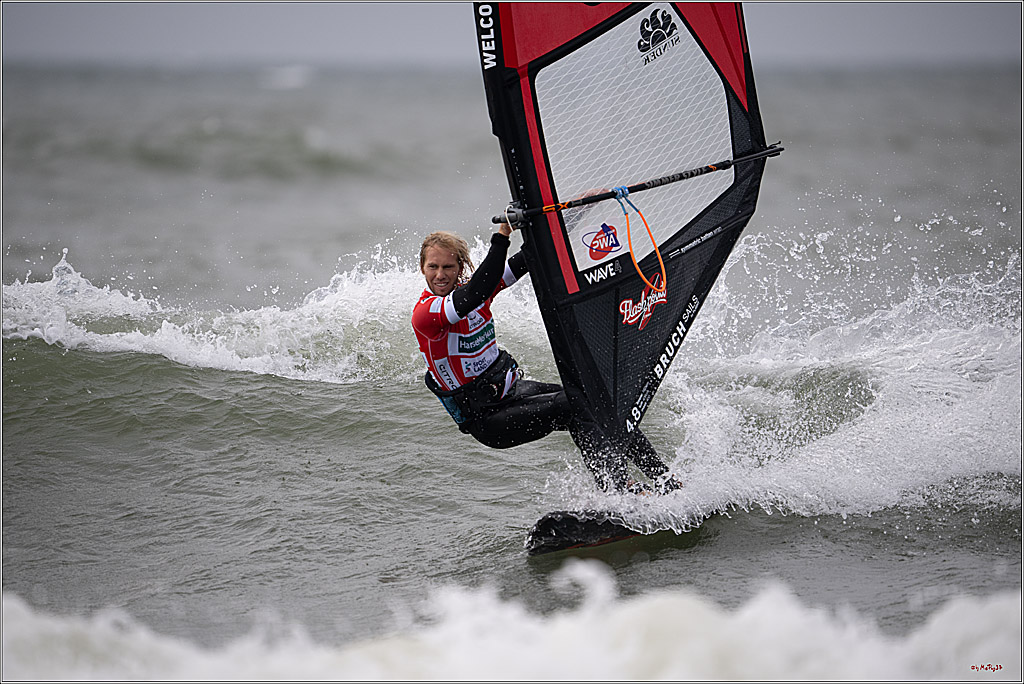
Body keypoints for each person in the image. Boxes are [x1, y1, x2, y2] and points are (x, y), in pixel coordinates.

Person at [411, 222, 682, 495]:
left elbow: (529, 257)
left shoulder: (475, 290)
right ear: (422, 268)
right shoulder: (427, 312)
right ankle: (619, 491)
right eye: (433, 267)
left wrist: (562, 216)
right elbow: (476, 292)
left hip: (510, 393)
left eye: (448, 267)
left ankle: (664, 478)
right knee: (572, 404)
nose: (440, 275)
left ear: (460, 267)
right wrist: (502, 234)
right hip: (487, 420)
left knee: (594, 398)